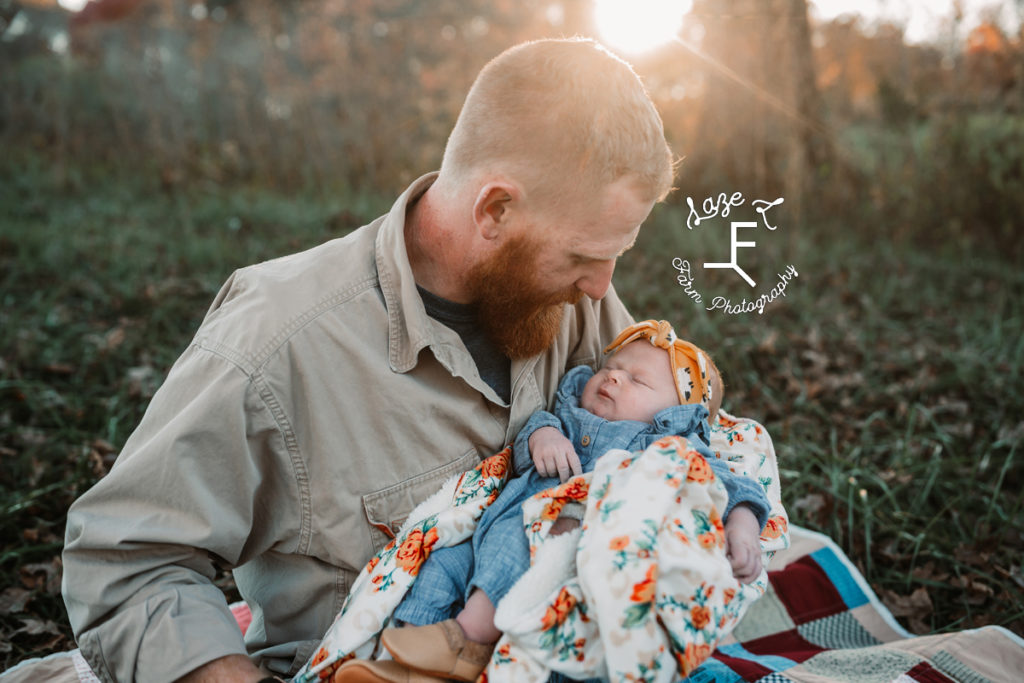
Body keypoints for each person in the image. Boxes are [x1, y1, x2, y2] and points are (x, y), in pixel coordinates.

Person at [27, 38, 676, 683]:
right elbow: (132, 560)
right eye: (583, 256)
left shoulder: (573, 299)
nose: (601, 285)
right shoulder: (276, 342)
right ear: (495, 209)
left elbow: (669, 440)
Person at [335, 320, 770, 683]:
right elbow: (533, 430)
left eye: (637, 380)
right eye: (612, 367)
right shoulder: (566, 411)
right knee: (443, 558)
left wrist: (743, 528)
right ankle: (408, 652)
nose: (614, 377)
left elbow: (734, 487)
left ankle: (468, 639)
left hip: (556, 533)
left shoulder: (672, 444)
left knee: (514, 548)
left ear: (678, 414)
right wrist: (543, 435)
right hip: (496, 517)